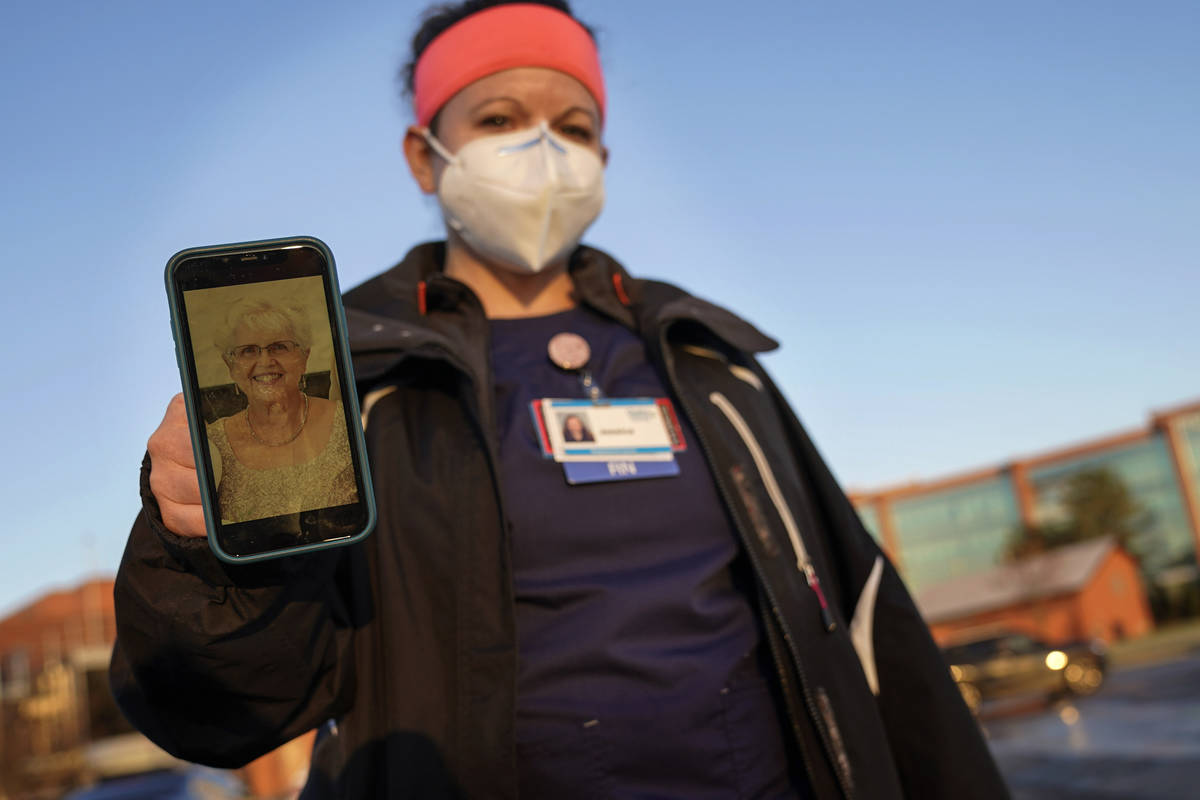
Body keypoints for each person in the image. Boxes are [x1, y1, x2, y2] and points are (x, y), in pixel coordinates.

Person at [110, 2, 1011, 798]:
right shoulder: (351, 386)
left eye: (573, 126)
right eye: (499, 117)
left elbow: (870, 632)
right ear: (426, 158)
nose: (544, 149)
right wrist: (200, 554)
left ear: (603, 157)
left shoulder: (711, 362)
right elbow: (221, 714)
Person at [205, 299, 356, 523]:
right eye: (248, 351)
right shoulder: (212, 443)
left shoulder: (348, 421)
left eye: (279, 347)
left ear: (304, 357)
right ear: (232, 367)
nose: (265, 361)